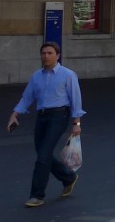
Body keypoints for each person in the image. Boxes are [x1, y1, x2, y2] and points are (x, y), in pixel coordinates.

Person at [5, 41, 83, 208]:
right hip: (41, 117)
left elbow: (76, 100)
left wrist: (76, 123)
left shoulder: (68, 75)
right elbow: (27, 98)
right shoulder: (36, 76)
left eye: (49, 53)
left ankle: (37, 195)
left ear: (57, 55)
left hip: (59, 116)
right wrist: (14, 114)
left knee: (43, 157)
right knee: (43, 154)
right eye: (43, 53)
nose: (46, 56)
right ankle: (68, 177)